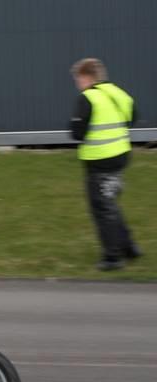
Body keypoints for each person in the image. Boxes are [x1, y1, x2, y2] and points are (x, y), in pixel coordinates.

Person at [70, 58, 141, 271]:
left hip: (99, 160)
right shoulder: (118, 93)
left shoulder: (88, 98)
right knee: (110, 203)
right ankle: (129, 248)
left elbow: (77, 133)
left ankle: (113, 257)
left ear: (85, 77)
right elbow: (132, 118)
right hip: (120, 156)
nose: (76, 83)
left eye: (77, 78)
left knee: (102, 207)